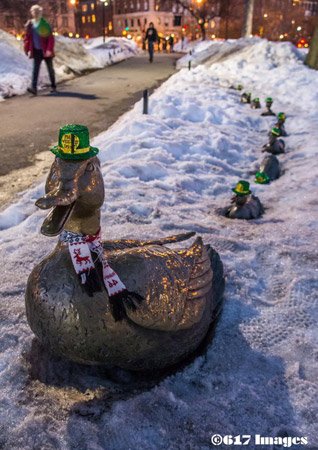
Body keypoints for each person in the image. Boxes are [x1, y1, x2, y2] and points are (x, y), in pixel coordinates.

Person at [24, 4, 56, 96]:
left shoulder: (44, 24)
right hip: (36, 50)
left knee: (50, 69)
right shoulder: (30, 24)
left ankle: (53, 86)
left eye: (37, 12)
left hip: (46, 51)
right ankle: (34, 88)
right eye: (34, 12)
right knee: (35, 70)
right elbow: (27, 38)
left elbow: (50, 38)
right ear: (32, 13)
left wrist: (49, 50)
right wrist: (27, 49)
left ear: (40, 13)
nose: (35, 13)